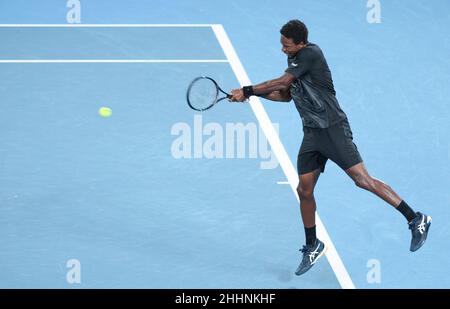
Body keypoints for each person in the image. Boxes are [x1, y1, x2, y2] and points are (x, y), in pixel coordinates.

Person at [229, 19, 432, 276]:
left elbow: (281, 83)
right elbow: (285, 95)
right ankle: (313, 244)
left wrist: (247, 89)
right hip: (312, 133)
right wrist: (252, 95)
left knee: (362, 180)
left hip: (332, 129)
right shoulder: (295, 62)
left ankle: (416, 219)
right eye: (281, 44)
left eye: (287, 45)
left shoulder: (311, 54)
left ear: (301, 43)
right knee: (304, 190)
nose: (282, 48)